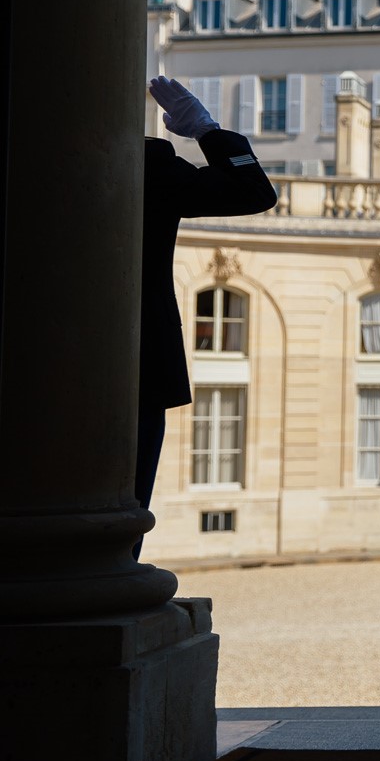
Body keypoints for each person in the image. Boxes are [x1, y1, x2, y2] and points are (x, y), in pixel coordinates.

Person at [139, 77, 278, 556]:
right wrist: (206, 131)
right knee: (126, 505)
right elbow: (254, 190)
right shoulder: (147, 163)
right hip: (139, 357)